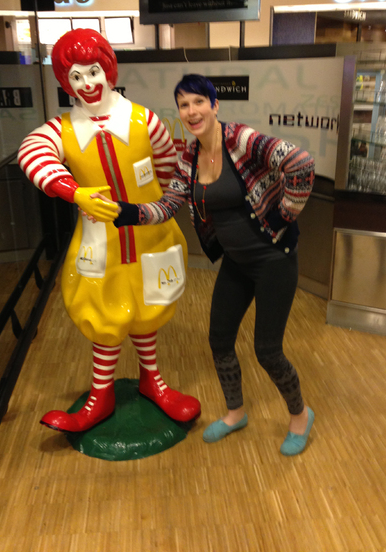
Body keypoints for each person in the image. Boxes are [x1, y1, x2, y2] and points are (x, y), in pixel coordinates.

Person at [91, 73, 316, 456]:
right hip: (236, 264)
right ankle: (235, 412)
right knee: (219, 341)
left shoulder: (241, 140)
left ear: (214, 105)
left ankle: (300, 415)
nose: (191, 110)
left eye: (198, 102)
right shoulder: (189, 157)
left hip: (273, 261)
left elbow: (301, 164)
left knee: (268, 351)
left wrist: (284, 216)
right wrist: (124, 212)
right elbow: (168, 206)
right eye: (184, 104)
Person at [18, 30, 200, 433]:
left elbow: (169, 173)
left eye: (93, 71)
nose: (87, 83)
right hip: (100, 245)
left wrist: (159, 211)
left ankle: (153, 381)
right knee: (104, 314)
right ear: (65, 83)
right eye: (76, 76)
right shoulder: (62, 129)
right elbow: (32, 152)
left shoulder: (146, 121)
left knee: (150, 308)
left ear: (109, 70)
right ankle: (100, 396)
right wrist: (74, 192)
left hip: (152, 237)